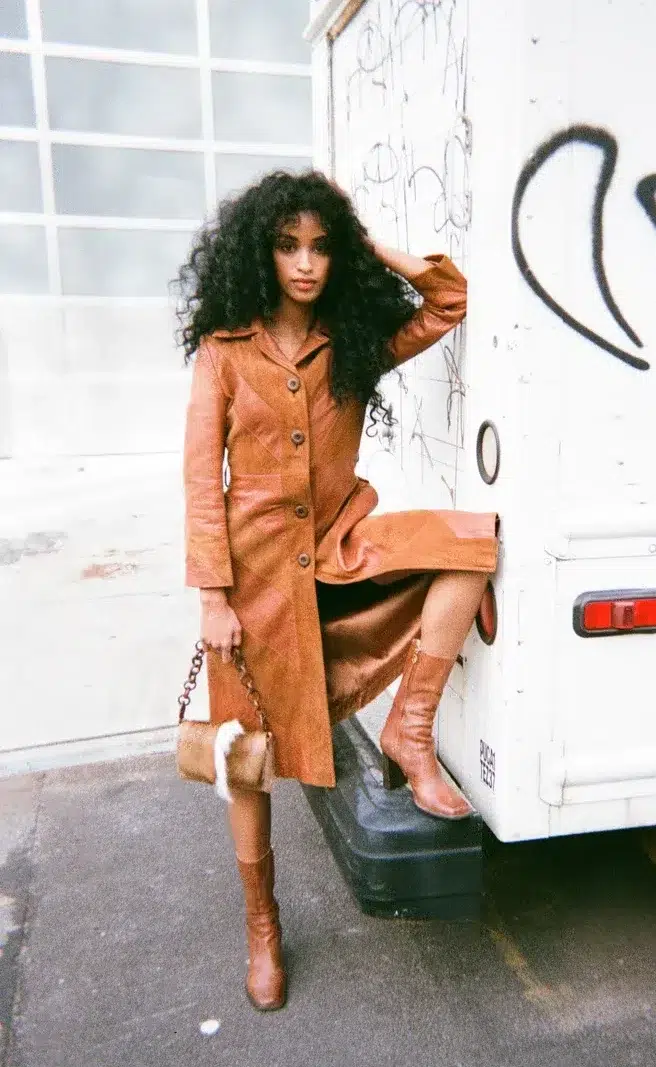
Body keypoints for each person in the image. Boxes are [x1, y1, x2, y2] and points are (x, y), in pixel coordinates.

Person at [177, 171, 498, 1012]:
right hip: (251, 583)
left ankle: (410, 729)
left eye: (323, 246)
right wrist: (213, 594)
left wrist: (367, 249)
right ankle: (262, 925)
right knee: (246, 764)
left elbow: (448, 298)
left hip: (337, 549)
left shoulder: (353, 336)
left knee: (470, 548)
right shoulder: (223, 348)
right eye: (289, 245)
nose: (307, 263)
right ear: (261, 252)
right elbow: (199, 482)